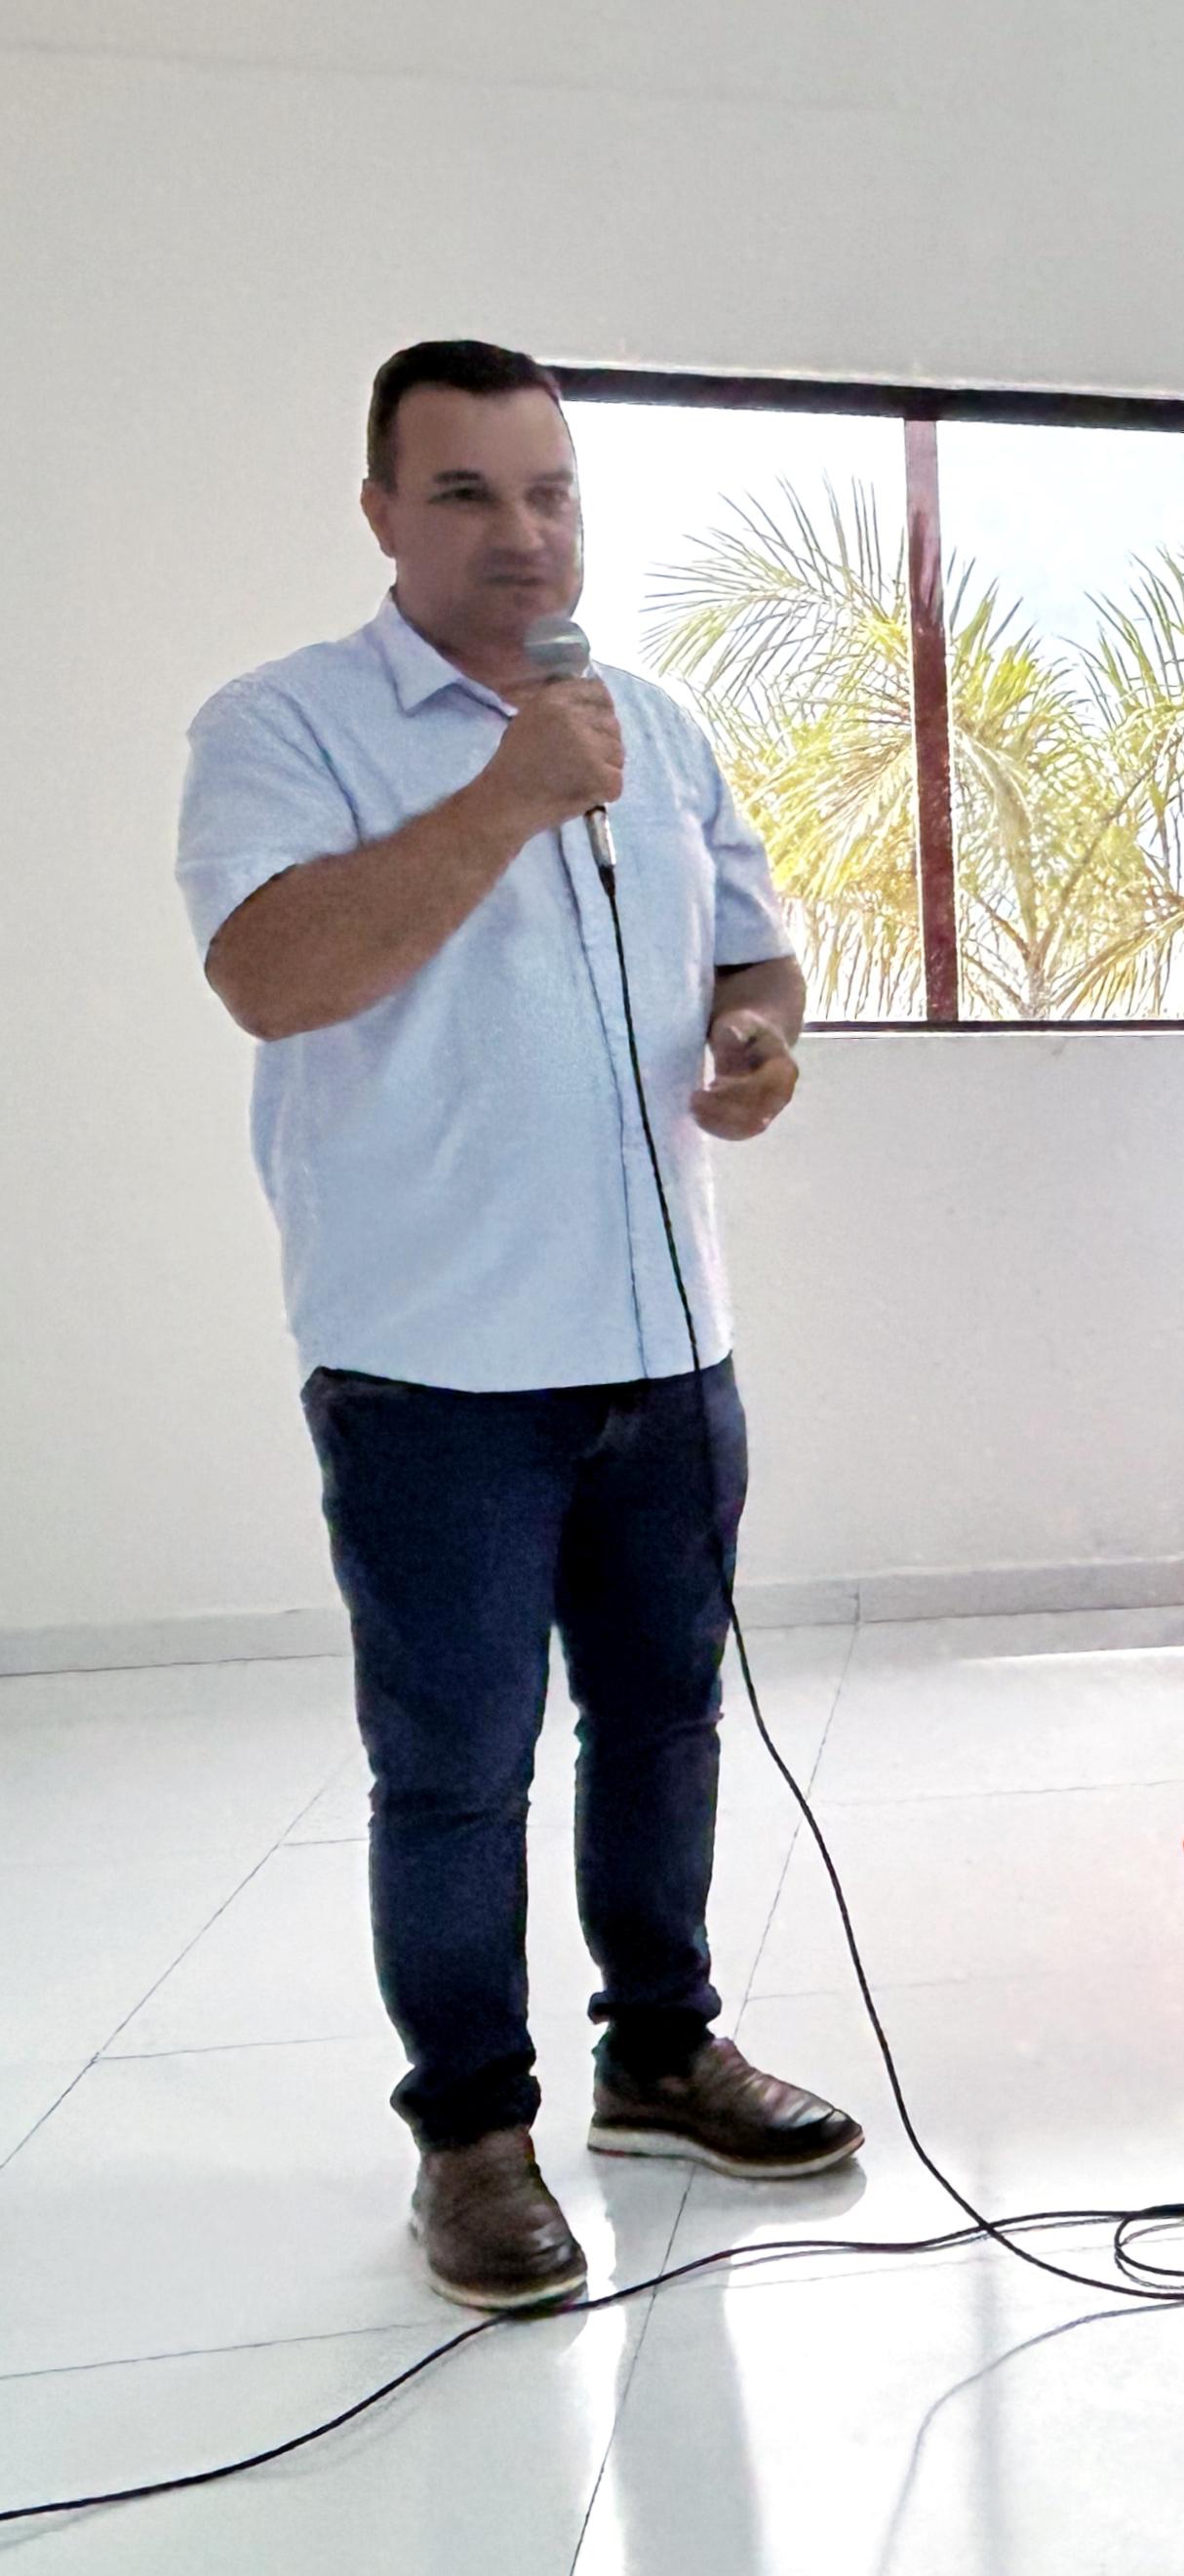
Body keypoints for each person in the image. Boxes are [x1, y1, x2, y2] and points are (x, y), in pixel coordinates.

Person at [175, 340, 861, 2315]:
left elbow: (754, 945)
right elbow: (274, 973)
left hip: (666, 1350)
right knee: (457, 1768)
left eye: (550, 490)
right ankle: (471, 2134)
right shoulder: (281, 727)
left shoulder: (655, 725)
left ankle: (662, 2052)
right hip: (435, 1374)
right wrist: (503, 793)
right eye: (466, 491)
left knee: (663, 1723)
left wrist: (755, 1040)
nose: (521, 531)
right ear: (381, 513)